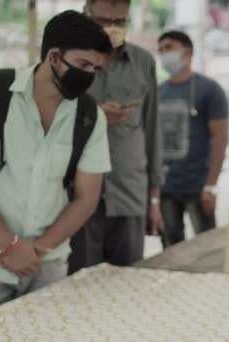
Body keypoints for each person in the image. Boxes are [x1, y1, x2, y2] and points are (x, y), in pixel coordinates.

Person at [0, 10, 112, 319]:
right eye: (82, 65)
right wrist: (8, 244)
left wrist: (36, 250)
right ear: (53, 56)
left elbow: (86, 198)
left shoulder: (90, 117)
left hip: (47, 264)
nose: (89, 75)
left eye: (95, 69)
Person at [68, 0, 163, 274]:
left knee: (128, 284)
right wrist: (94, 116)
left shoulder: (143, 63)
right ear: (86, 16)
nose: (112, 28)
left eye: (120, 21)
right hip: (78, 196)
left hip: (129, 193)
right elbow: (50, 119)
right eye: (102, 21)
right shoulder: (70, 62)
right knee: (81, 284)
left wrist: (154, 198)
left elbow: (152, 129)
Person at [156, 31, 228, 247]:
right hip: (165, 186)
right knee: (170, 248)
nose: (163, 54)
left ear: (187, 52)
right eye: (160, 50)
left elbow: (220, 138)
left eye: (169, 48)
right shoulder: (159, 91)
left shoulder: (210, 90)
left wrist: (211, 186)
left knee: (206, 249)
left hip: (198, 186)